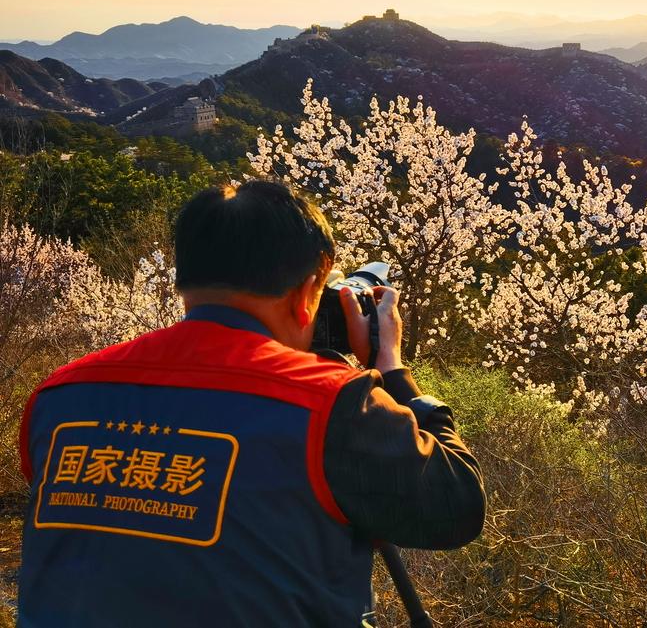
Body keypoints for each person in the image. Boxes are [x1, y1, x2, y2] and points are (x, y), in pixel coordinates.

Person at [17, 180, 486, 627]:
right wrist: (391, 369)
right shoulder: (328, 404)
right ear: (307, 294)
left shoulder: (58, 394)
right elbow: (456, 506)